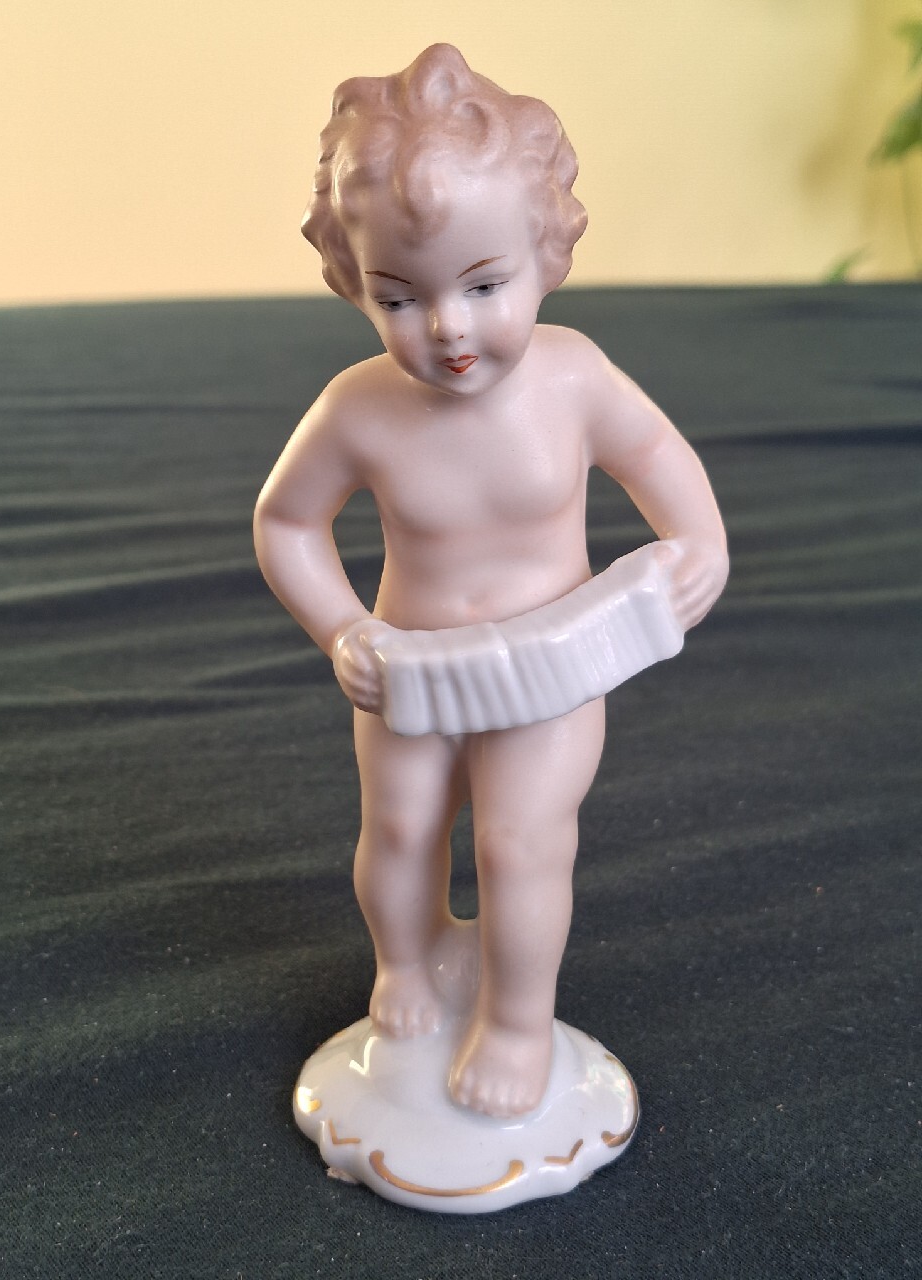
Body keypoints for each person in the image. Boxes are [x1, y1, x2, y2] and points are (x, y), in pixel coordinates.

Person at [254, 45, 728, 1119]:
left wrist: (699, 546)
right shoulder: (358, 409)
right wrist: (341, 628)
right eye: (399, 297)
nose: (449, 327)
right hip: (410, 672)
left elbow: (660, 459)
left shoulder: (574, 378)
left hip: (550, 675)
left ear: (543, 252)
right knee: (401, 832)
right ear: (354, 282)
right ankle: (407, 962)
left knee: (520, 845)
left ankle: (517, 1021)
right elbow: (285, 521)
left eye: (484, 284)